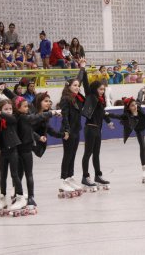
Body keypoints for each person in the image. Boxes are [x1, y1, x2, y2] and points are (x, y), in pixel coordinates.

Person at [107, 95, 145, 183]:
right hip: (139, 130)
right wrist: (107, 114)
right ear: (128, 108)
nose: (135, 106)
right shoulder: (127, 115)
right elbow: (117, 116)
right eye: (132, 105)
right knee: (143, 147)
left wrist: (144, 92)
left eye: (135, 104)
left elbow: (139, 97)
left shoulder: (138, 107)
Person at [80, 66, 114, 191]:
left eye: (103, 90)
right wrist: (83, 69)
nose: (102, 91)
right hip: (90, 128)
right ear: (95, 89)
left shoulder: (100, 101)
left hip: (97, 130)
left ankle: (98, 175)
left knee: (96, 154)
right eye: (100, 89)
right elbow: (85, 84)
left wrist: (108, 121)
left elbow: (102, 113)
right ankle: (85, 176)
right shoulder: (90, 96)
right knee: (88, 153)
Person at [57, 68, 86, 196]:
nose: (77, 87)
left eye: (78, 86)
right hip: (68, 131)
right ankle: (63, 180)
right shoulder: (65, 99)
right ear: (69, 86)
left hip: (76, 130)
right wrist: (67, 131)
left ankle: (70, 177)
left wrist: (83, 68)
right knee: (67, 155)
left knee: (73, 154)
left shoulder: (77, 98)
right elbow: (65, 116)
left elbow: (79, 79)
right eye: (75, 85)